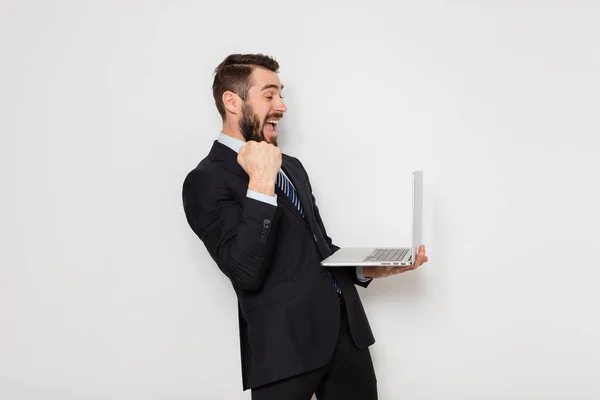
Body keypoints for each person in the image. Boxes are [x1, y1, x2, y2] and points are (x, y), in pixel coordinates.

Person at [182, 53, 429, 400]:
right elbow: (244, 270)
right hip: (283, 351)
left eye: (281, 95)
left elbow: (319, 248)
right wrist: (261, 182)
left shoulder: (292, 167)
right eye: (269, 95)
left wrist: (372, 267)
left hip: (347, 340)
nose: (282, 106)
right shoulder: (205, 180)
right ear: (232, 101)